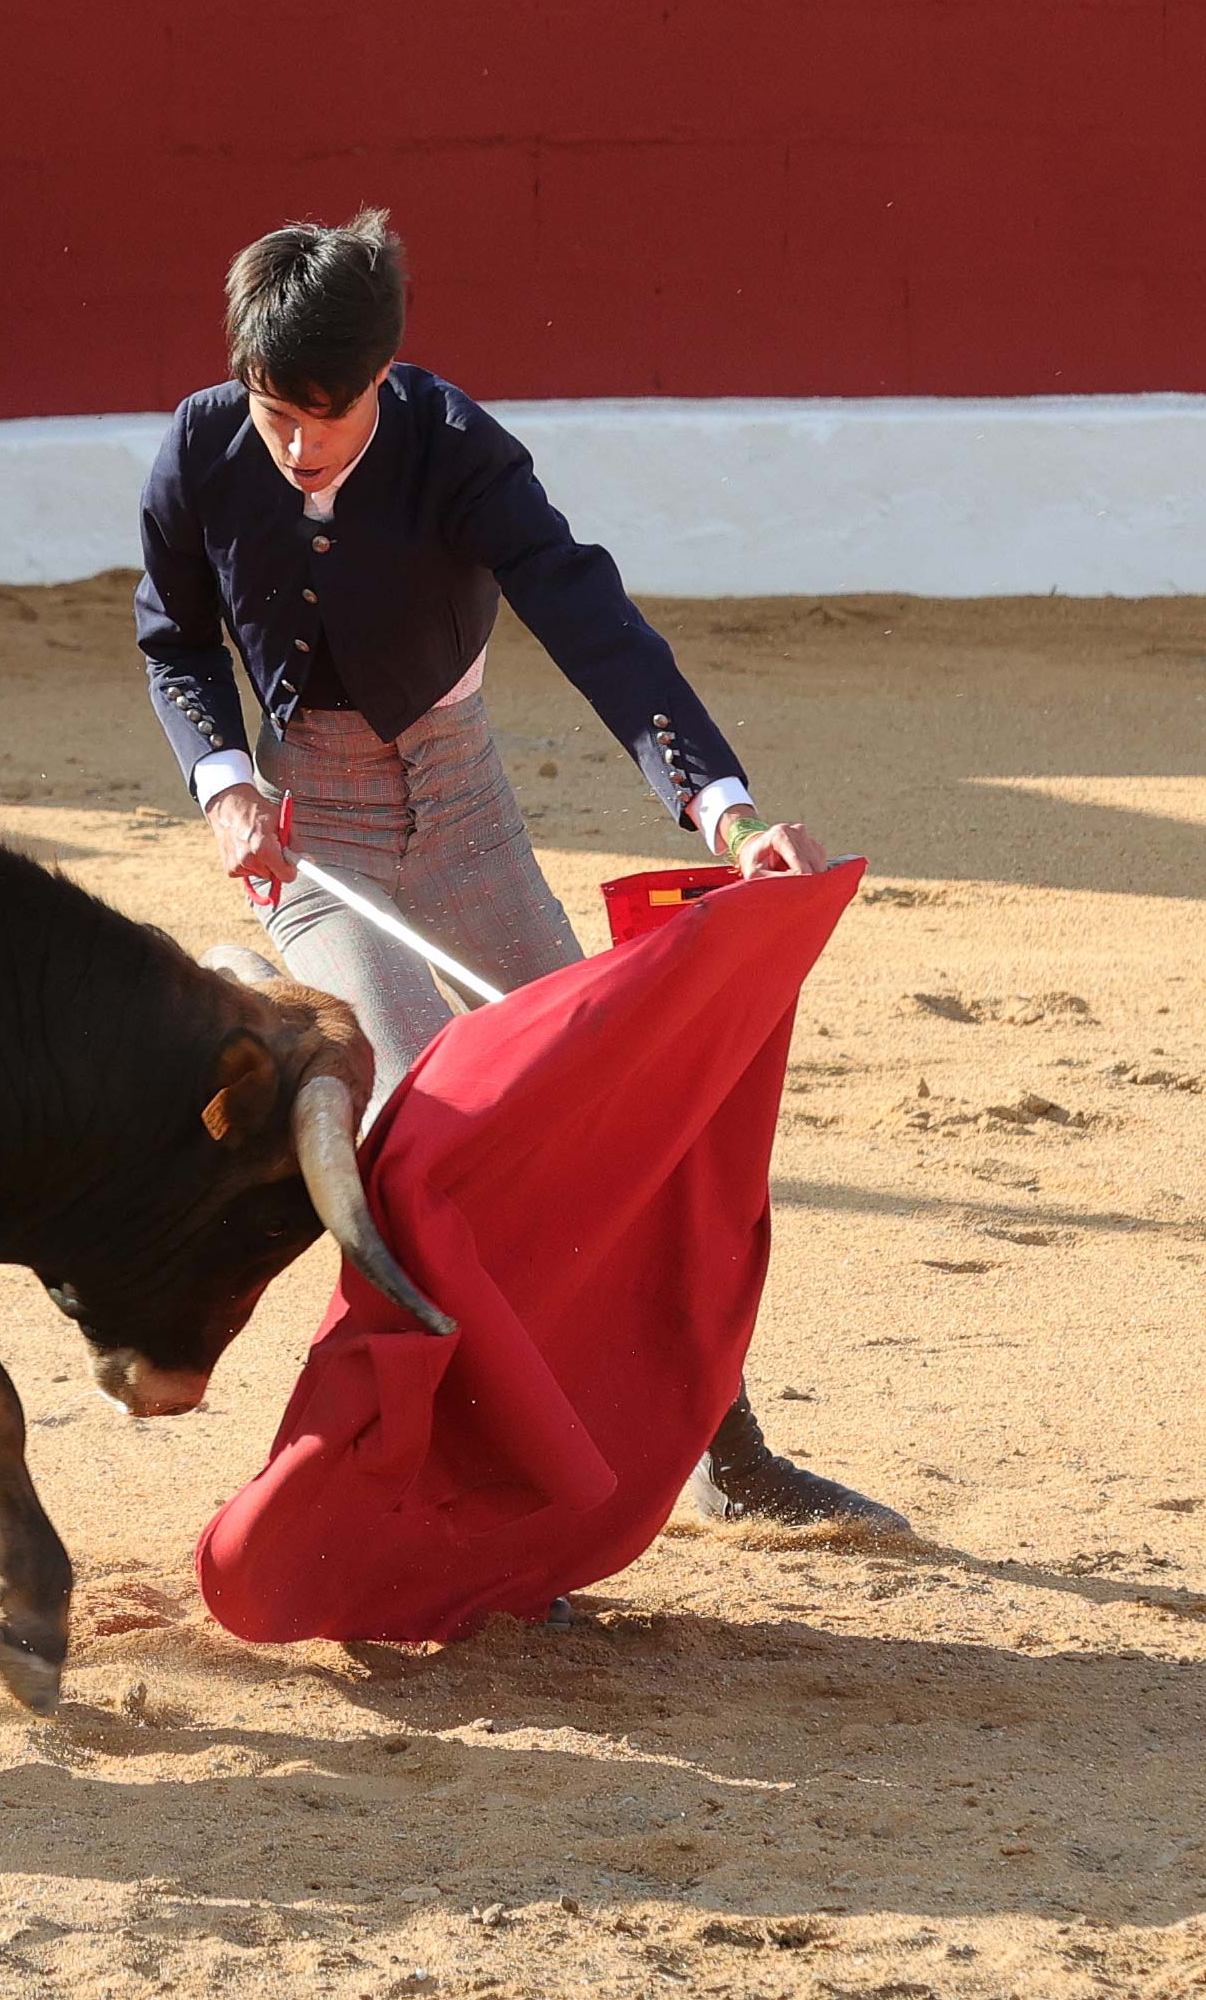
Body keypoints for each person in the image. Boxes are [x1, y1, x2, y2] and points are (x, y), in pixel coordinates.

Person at [135, 207, 903, 1532]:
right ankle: (481, 1485)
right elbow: (175, 641)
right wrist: (222, 784)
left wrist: (724, 812)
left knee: (626, 1127)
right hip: (319, 844)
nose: (297, 446)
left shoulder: (458, 448)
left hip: (471, 816)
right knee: (439, 1147)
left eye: (327, 415)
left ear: (386, 373)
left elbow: (592, 621)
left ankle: (730, 1450)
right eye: (276, 414)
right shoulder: (205, 445)